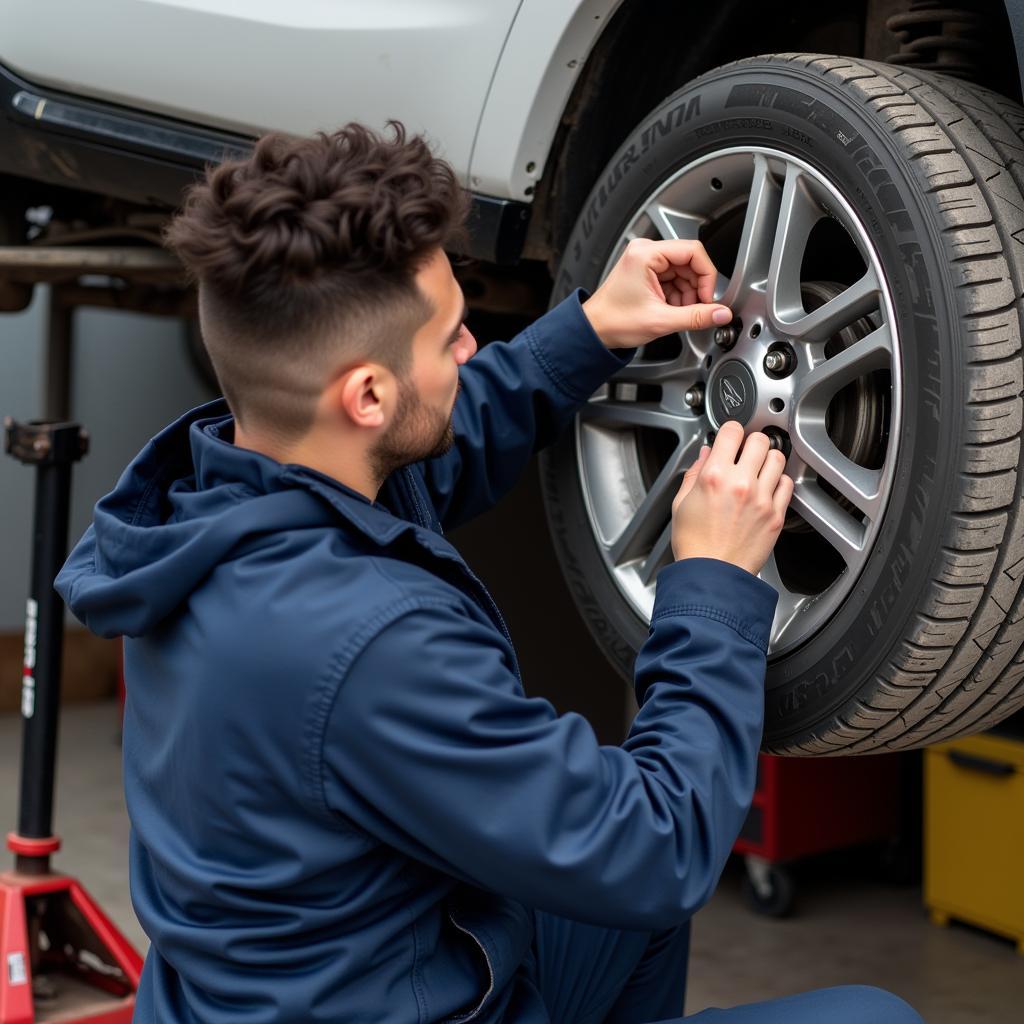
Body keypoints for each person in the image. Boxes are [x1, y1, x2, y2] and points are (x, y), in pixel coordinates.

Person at [56, 124, 922, 1024]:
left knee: (614, 916)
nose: (473, 345)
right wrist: (709, 581)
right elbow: (658, 851)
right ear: (366, 397)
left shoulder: (224, 495)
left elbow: (438, 445)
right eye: (448, 337)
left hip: (322, 981)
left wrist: (587, 332)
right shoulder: (368, 645)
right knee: (875, 1016)